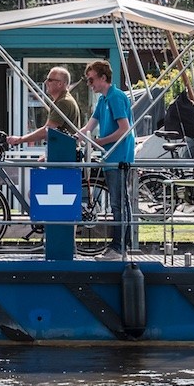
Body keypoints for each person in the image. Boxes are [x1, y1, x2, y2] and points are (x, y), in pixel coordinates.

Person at [75, 59, 134, 261]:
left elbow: (124, 129)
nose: (89, 84)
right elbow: (89, 126)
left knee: (118, 203)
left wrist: (100, 141)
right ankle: (117, 247)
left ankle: (119, 249)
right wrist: (77, 136)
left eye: (91, 80)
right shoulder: (103, 100)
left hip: (119, 156)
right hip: (109, 156)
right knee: (117, 203)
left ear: (103, 78)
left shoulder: (116, 98)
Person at [7, 66, 81, 147]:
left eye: (50, 80)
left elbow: (48, 130)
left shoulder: (63, 102)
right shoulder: (61, 101)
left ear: (60, 84)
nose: (46, 82)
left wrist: (20, 139)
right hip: (62, 152)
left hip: (65, 154)